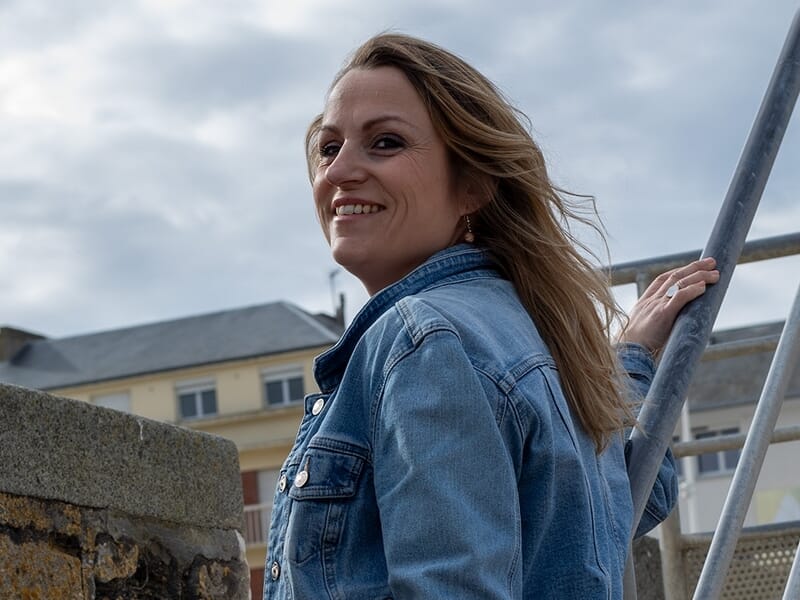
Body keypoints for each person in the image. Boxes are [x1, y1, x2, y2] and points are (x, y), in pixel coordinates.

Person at [264, 33, 719, 600]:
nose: (338, 172)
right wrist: (626, 360)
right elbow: (618, 503)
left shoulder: (424, 340)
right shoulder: (540, 337)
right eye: (328, 148)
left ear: (474, 184)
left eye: (384, 142)